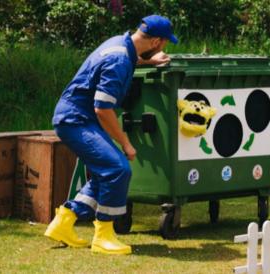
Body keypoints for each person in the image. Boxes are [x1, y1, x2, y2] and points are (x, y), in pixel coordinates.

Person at [44, 15, 178, 255]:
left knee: (106, 172)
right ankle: (103, 235)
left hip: (78, 118)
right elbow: (103, 109)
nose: (164, 48)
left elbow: (126, 60)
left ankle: (64, 221)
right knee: (118, 169)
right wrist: (126, 143)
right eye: (165, 43)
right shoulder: (119, 59)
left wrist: (147, 62)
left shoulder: (120, 44)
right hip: (76, 120)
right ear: (157, 41)